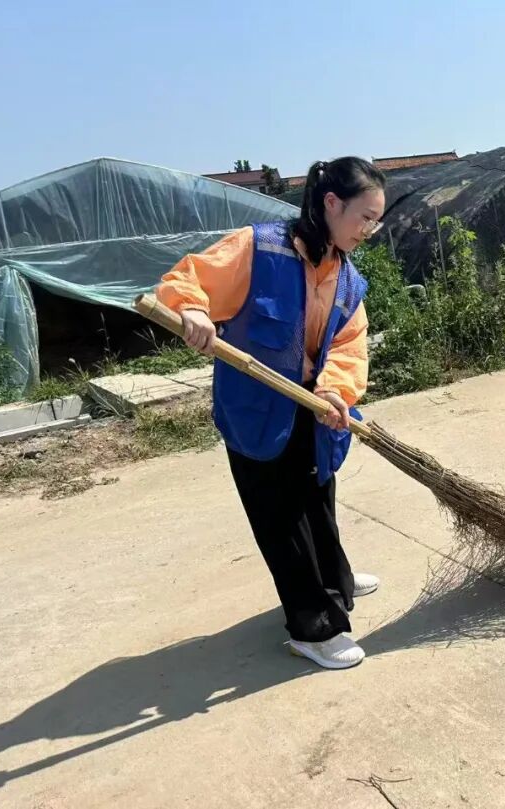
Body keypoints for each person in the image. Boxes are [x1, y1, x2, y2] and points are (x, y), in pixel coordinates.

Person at [155, 157, 387, 670]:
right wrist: (193, 309)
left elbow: (350, 345)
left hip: (314, 404)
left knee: (318, 497)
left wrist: (335, 392)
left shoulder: (346, 279)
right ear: (331, 204)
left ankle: (336, 583)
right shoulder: (258, 249)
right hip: (256, 411)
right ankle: (313, 626)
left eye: (376, 220)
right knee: (280, 518)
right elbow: (188, 278)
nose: (369, 230)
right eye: (363, 218)